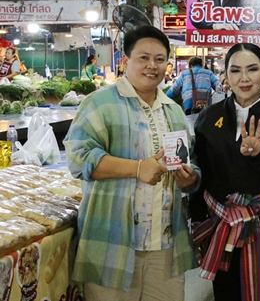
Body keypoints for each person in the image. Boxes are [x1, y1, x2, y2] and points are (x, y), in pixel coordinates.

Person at [64, 25, 201, 300]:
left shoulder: (173, 111)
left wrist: (190, 178)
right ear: (126, 60)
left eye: (159, 59)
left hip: (165, 246)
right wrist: (137, 169)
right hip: (113, 242)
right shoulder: (99, 103)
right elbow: (79, 158)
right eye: (143, 58)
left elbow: (188, 159)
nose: (152, 65)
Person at [189, 43, 260, 301]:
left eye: (252, 69)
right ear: (226, 75)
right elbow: (203, 170)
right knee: (226, 291)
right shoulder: (209, 117)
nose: (244, 78)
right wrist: (196, 215)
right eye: (235, 70)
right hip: (222, 224)